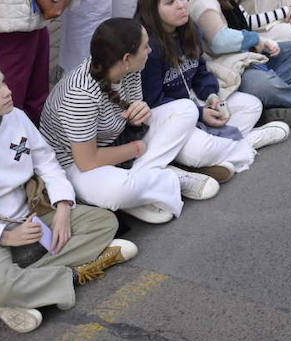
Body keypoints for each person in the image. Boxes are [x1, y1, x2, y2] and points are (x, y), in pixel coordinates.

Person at [0, 61, 136, 333]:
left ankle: (16, 294)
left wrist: (62, 206)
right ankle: (74, 274)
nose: (6, 91)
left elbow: (47, 162)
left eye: (2, 82)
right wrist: (5, 237)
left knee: (104, 222)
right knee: (1, 284)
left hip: (30, 211)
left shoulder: (16, 116)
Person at [40, 17, 211, 225]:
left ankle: (146, 181)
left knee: (186, 109)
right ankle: (168, 179)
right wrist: (136, 149)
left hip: (114, 142)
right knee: (117, 191)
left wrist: (140, 114)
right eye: (145, 46)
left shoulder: (129, 69)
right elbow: (87, 161)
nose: (149, 51)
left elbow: (128, 119)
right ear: (127, 58)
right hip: (75, 164)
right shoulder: (80, 95)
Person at [137, 0, 289, 182]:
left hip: (196, 105)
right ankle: (249, 141)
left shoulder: (190, 30)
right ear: (152, 9)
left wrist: (211, 96)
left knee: (251, 105)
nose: (181, 5)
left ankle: (214, 160)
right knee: (200, 150)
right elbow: (154, 101)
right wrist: (199, 113)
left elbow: (201, 72)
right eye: (170, 2)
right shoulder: (149, 48)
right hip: (170, 120)